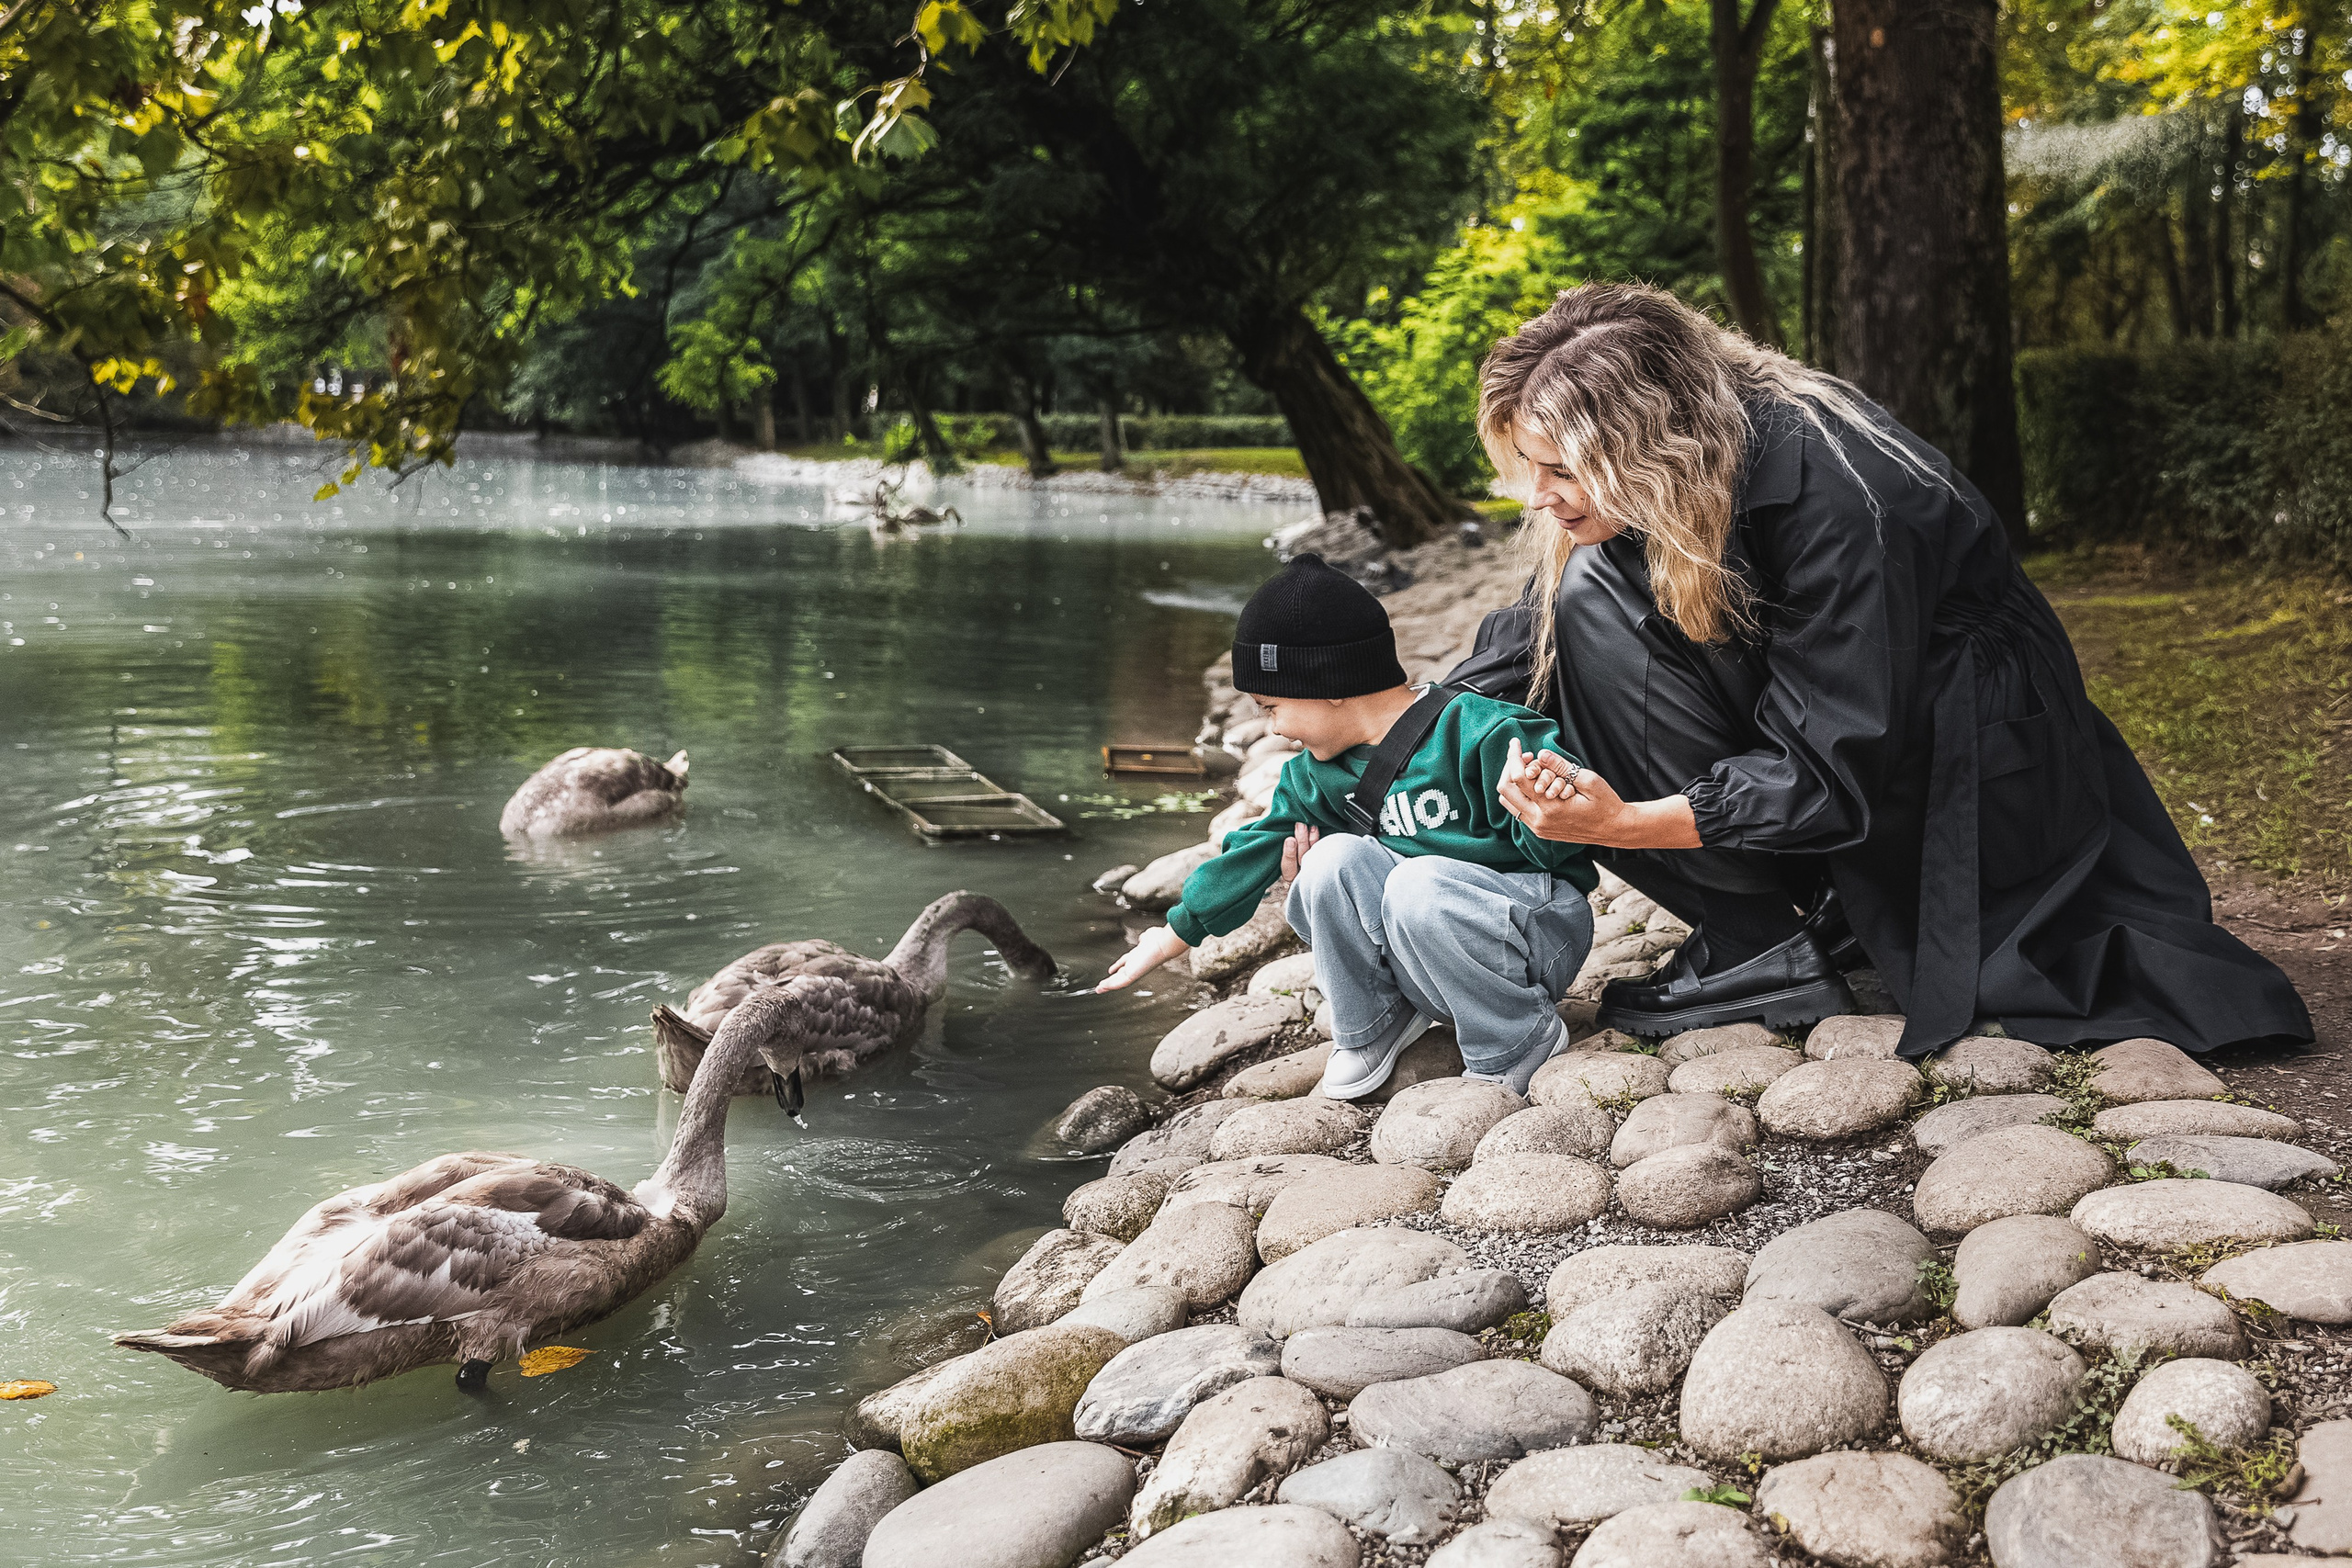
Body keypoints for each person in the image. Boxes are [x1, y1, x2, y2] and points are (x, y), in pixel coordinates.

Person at [1453, 281, 2310, 1057]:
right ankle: (1762, 937)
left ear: (1650, 442)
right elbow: (1521, 643)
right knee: (1584, 593)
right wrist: (1360, 767)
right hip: (1864, 724)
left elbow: (1831, 765)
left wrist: (1623, 824)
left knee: (1594, 593)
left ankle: (1759, 942)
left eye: (1561, 469)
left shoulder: (1842, 495)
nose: (1536, 495)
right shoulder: (1689, 461)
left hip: (1964, 762)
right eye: (1530, 465)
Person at [1097, 553, 1600, 1097]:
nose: (1275, 728)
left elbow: (1561, 860)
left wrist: (1546, 807)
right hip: (1428, 960)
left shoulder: (1482, 731)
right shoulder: (1316, 776)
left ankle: (1515, 1037)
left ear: (1329, 682)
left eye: (1270, 707)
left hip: (1530, 947)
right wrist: (1173, 934)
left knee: (1418, 882)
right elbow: (1253, 850)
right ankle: (1371, 1027)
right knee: (1328, 861)